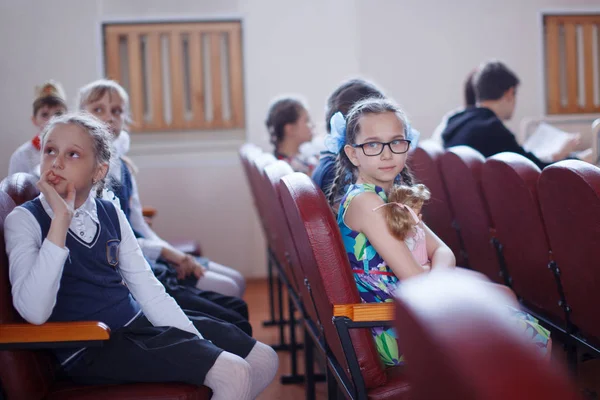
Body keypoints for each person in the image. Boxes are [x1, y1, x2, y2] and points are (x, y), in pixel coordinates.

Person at [4, 113, 278, 399]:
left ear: (98, 172)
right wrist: (60, 222)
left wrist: (196, 342)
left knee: (263, 359)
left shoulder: (109, 212)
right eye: (50, 150)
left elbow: (148, 289)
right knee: (233, 372)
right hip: (92, 346)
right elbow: (34, 312)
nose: (57, 162)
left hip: (138, 324)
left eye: (72, 154)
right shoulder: (24, 220)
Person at [333, 97, 551, 366]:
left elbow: (444, 251)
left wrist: (431, 276)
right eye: (373, 144)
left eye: (396, 142)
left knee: (516, 317)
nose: (387, 154)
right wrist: (433, 279)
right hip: (393, 329)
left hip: (417, 309)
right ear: (353, 153)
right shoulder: (366, 202)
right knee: (529, 336)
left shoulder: (389, 196)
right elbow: (415, 280)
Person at [441, 60, 589, 168]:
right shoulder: (491, 129)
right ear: (509, 93)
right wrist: (576, 160)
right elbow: (535, 170)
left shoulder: (454, 121)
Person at [9, 80, 68, 175]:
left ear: (68, 117)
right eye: (45, 115)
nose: (52, 120)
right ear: (34, 120)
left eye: (58, 114)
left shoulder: (75, 151)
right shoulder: (22, 156)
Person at [265, 96, 317, 174]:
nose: (312, 125)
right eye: (306, 121)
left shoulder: (297, 162)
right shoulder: (293, 171)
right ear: (290, 129)